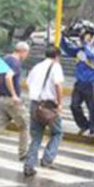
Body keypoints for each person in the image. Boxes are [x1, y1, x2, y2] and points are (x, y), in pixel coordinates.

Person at [23, 47, 65, 177]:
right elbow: (58, 85)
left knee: (36, 136)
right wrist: (59, 103)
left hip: (35, 104)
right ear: (57, 56)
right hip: (49, 106)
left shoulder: (37, 66)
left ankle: (29, 165)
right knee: (57, 132)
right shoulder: (56, 66)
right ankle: (47, 159)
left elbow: (28, 83)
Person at [60, 27, 94, 138]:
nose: (82, 37)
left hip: (90, 83)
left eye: (84, 35)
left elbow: (92, 56)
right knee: (74, 106)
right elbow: (66, 49)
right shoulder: (79, 50)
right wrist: (63, 36)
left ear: (90, 36)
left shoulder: (93, 47)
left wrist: (85, 44)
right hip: (79, 83)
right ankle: (84, 125)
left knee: (91, 108)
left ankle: (93, 129)